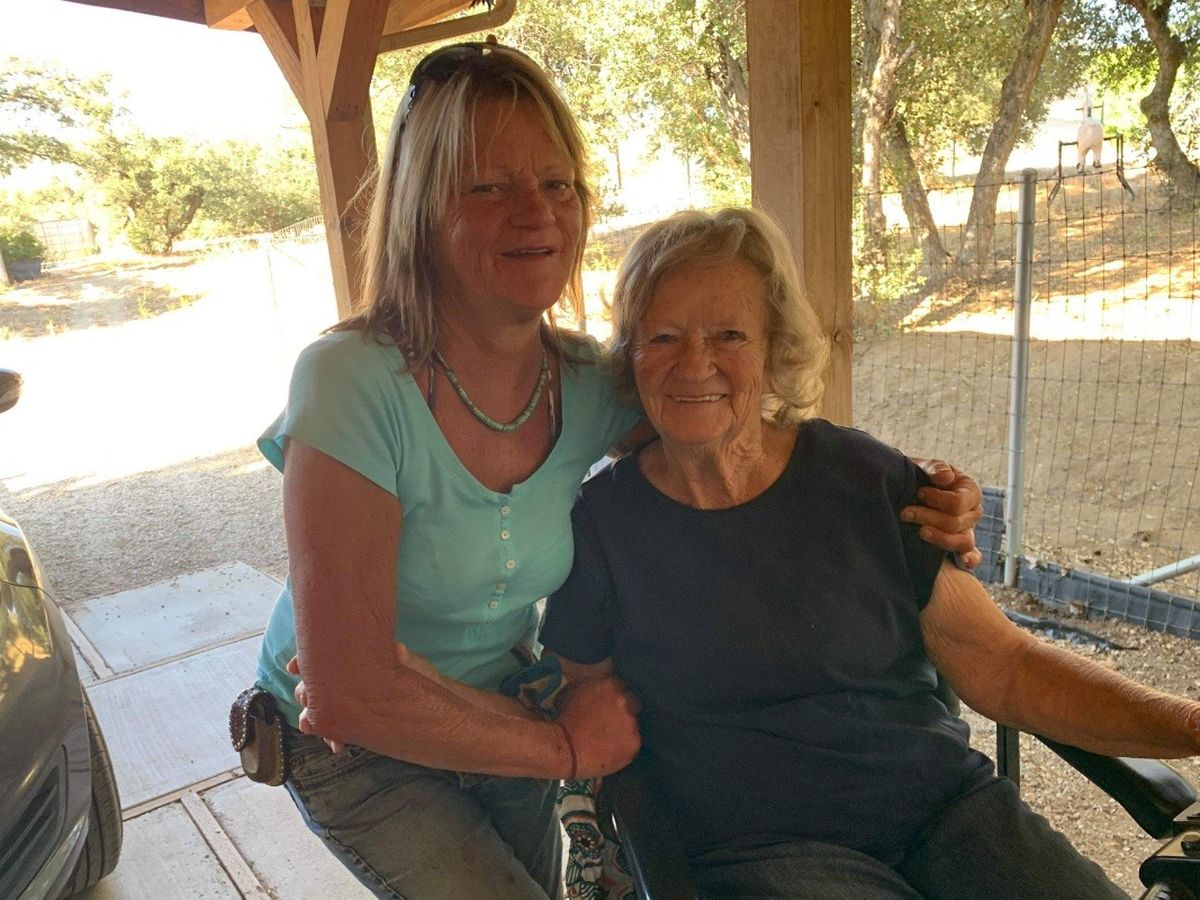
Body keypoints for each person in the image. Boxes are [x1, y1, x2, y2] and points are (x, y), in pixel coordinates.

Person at [256, 42, 985, 900]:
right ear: (422, 207)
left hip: (499, 706)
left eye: (558, 184)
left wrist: (908, 492)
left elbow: (740, 433)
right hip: (358, 748)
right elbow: (347, 692)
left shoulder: (585, 383)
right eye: (488, 187)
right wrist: (566, 746)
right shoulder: (348, 380)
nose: (537, 213)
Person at [540, 207, 1200, 900]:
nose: (695, 363)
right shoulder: (603, 526)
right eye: (663, 336)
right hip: (763, 848)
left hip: (947, 810)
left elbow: (1007, 670)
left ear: (773, 348)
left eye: (729, 334)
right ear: (631, 356)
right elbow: (591, 712)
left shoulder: (863, 479)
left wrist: (1189, 724)